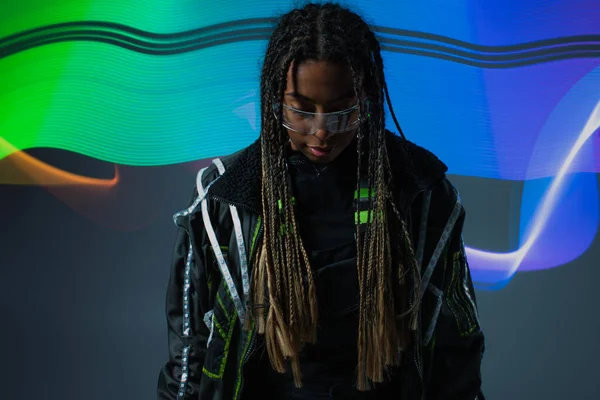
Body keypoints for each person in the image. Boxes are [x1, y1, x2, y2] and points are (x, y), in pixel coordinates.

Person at [157, 2, 485, 399]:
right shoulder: (223, 198)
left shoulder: (423, 193)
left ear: (367, 97)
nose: (320, 132)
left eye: (340, 111)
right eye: (301, 110)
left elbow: (456, 349)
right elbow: (189, 348)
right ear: (274, 97)